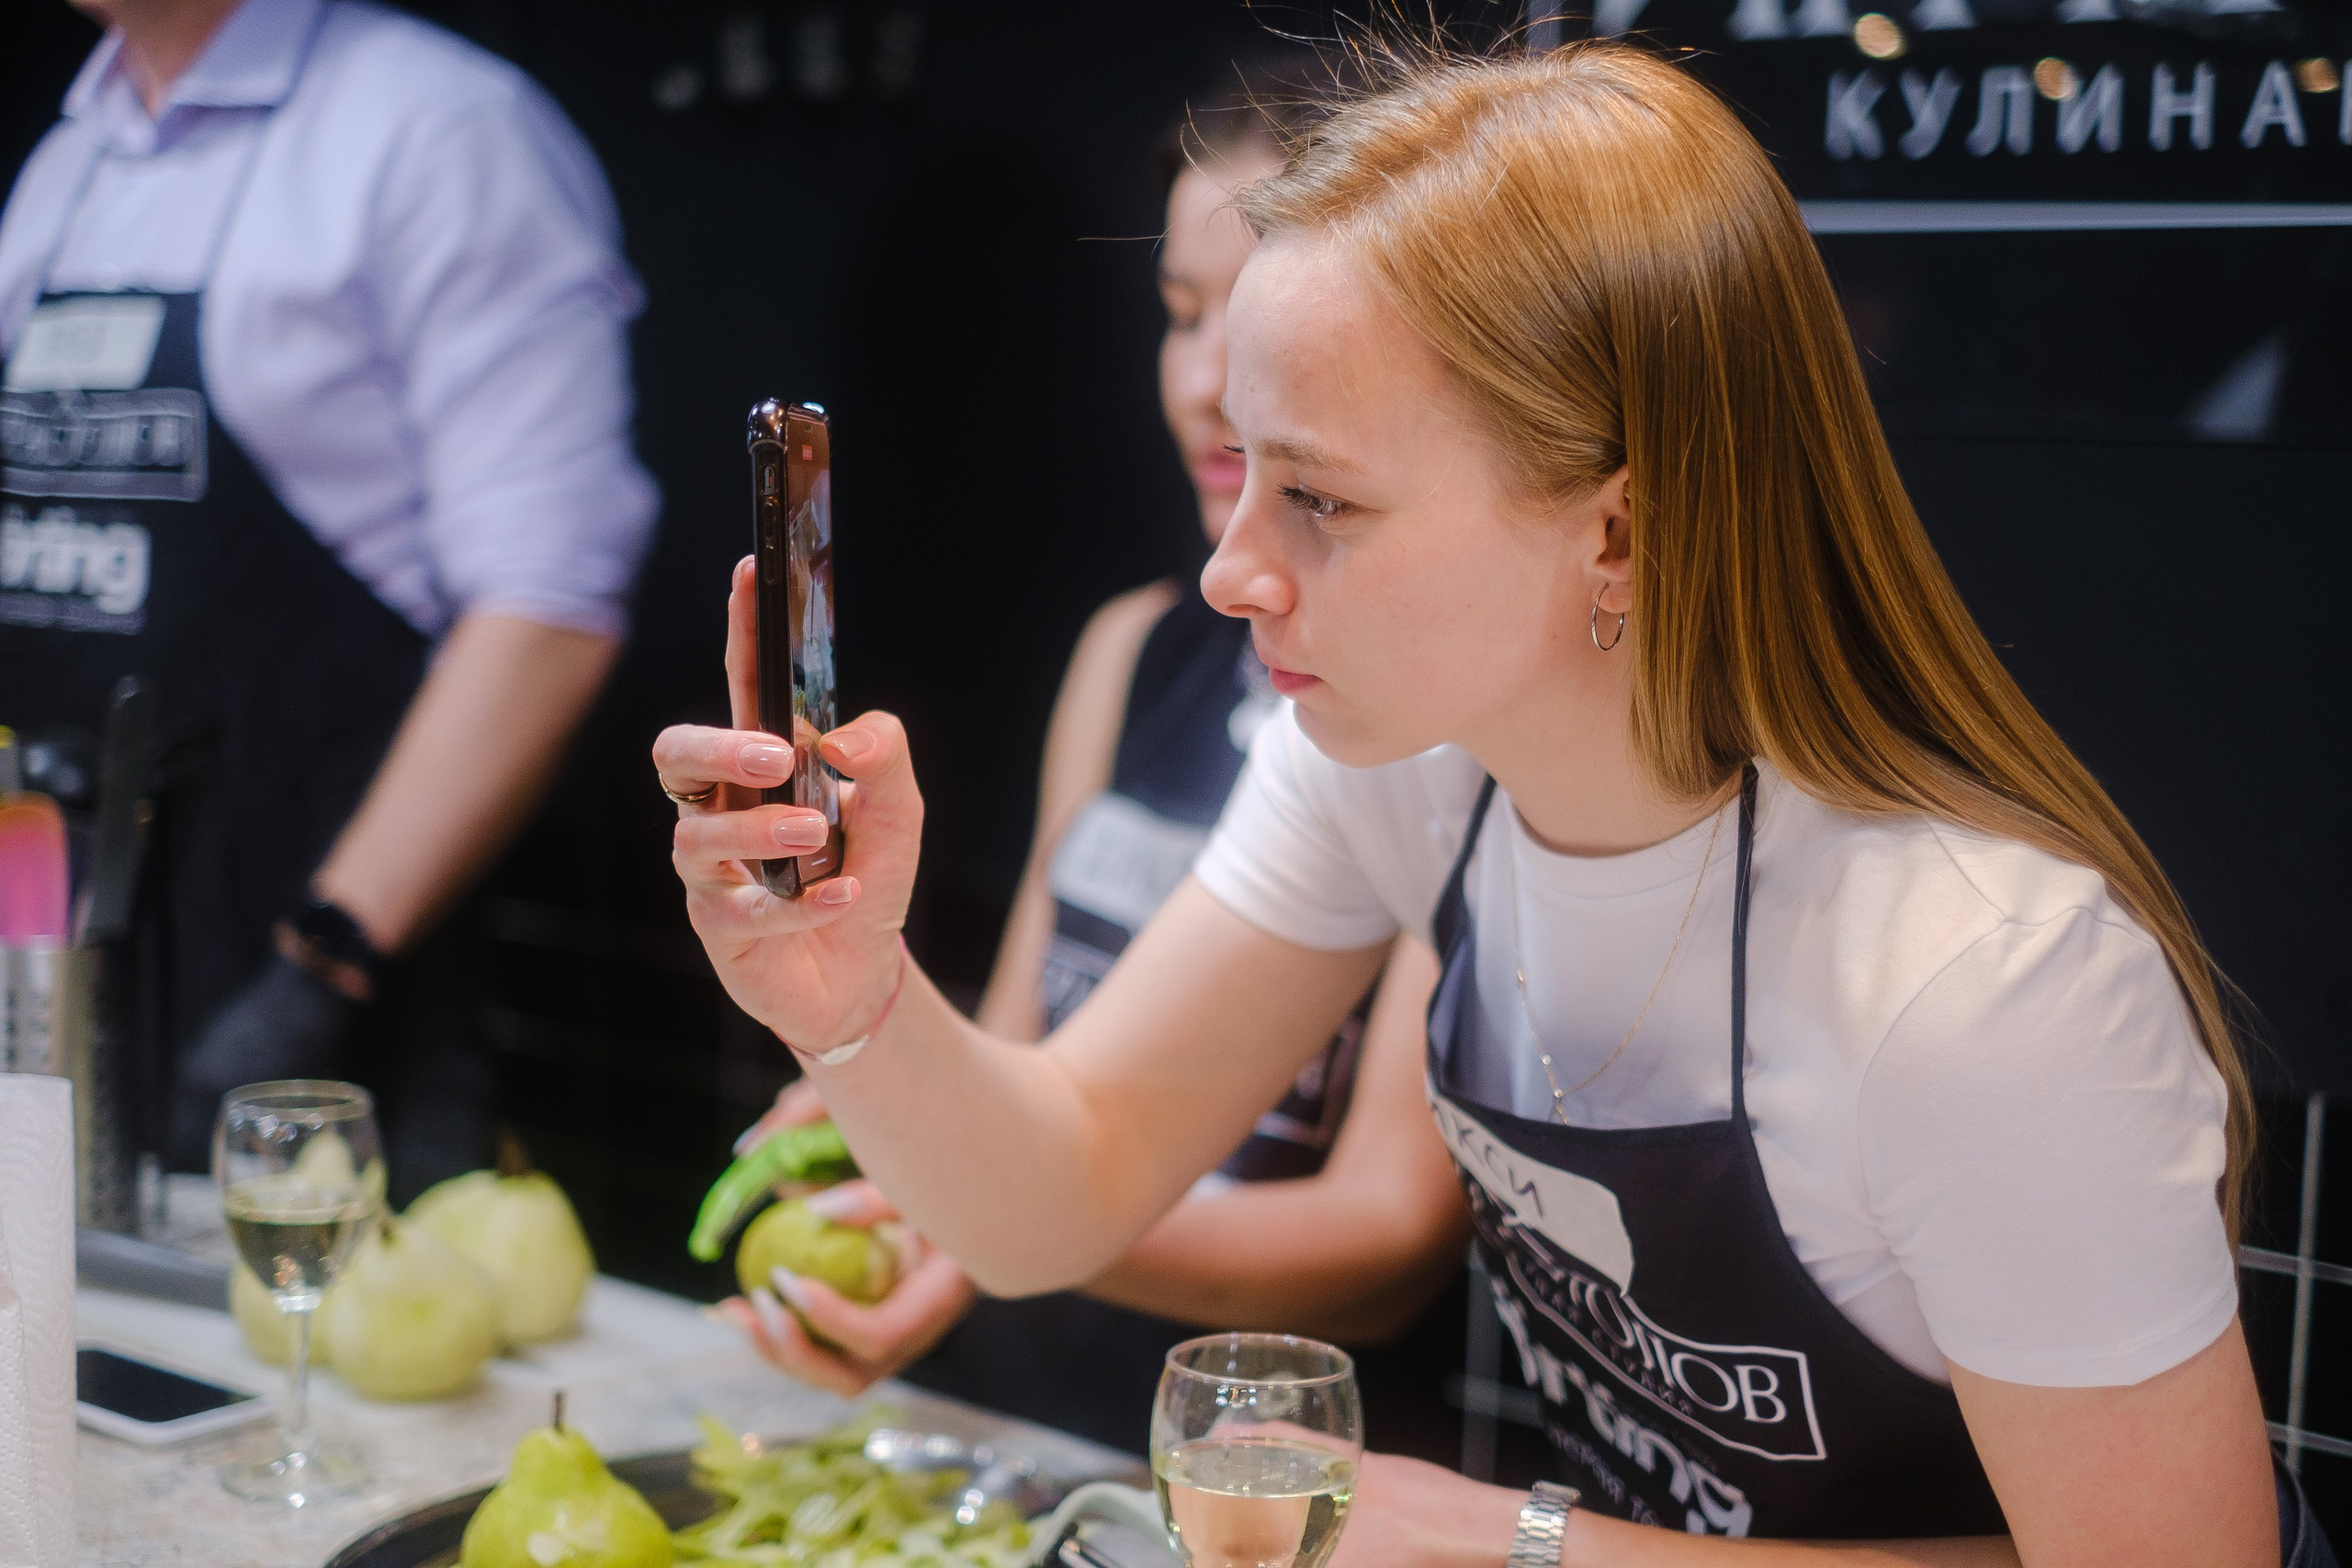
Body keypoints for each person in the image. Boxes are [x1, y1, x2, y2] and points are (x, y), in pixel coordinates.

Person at [656, 39, 2326, 1568]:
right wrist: (857, 999)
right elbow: (1058, 1185)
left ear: (1615, 528)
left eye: (1319, 499)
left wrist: (1519, 1550)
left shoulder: (1984, 994)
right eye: (1247, 470)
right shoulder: (1402, 776)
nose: (1234, 573)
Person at [711, 64, 1467, 1450]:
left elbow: (1390, 1234)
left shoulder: (1429, 719)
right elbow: (1029, 1077)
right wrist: (890, 1086)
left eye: (1255, 321)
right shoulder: (1133, 650)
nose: (1207, 383)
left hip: (1273, 1461)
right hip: (1024, 1425)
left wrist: (971, 1201)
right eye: (1181, 315)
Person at [0, 0, 654, 1187]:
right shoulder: (66, 167)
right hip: (61, 1015)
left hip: (307, 1025)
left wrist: (322, 965)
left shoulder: (438, 133)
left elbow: (550, 607)